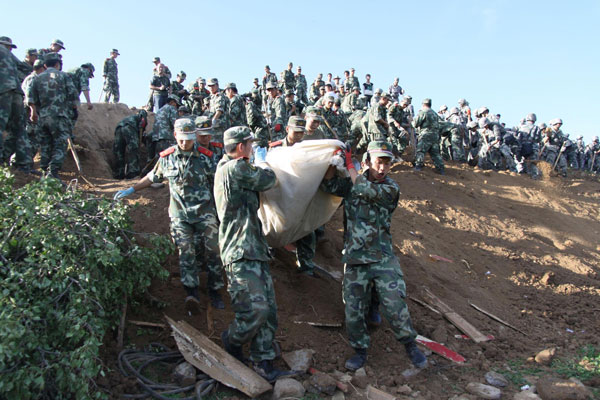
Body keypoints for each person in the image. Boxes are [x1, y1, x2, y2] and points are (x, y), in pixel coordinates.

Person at [320, 140, 427, 371]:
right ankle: (360, 350)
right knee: (353, 307)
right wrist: (333, 161)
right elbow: (328, 185)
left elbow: (362, 189)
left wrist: (350, 166)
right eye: (379, 162)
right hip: (356, 257)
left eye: (387, 163)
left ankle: (410, 345)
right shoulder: (351, 181)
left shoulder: (390, 188)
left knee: (395, 302)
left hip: (382, 256)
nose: (383, 168)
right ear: (367, 162)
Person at [115, 118, 225, 311]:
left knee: (214, 249)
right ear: (175, 136)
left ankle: (215, 289)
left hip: (204, 212)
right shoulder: (167, 157)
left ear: (194, 137)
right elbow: (152, 177)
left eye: (189, 139)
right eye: (181, 139)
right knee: (186, 252)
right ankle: (191, 293)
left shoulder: (206, 156)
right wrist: (132, 189)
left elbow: (219, 182)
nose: (185, 143)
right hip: (180, 215)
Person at [214, 126, 294, 382]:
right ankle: (232, 339)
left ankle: (263, 362)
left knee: (268, 310)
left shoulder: (234, 168)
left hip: (254, 248)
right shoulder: (235, 168)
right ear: (241, 147)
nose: (252, 148)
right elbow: (268, 180)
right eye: (250, 145)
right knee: (256, 309)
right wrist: (262, 162)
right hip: (239, 250)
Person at [27, 52, 77, 179]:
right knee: (60, 144)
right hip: (59, 116)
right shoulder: (64, 77)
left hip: (42, 116)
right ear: (57, 64)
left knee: (46, 144)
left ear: (44, 65)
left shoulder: (37, 78)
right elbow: (74, 97)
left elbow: (30, 97)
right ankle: (53, 172)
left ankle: (44, 171)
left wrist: (33, 111)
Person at [0, 36, 28, 170]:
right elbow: (27, 69)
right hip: (16, 91)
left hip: (3, 90)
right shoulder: (10, 55)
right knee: (18, 128)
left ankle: (1, 161)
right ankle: (22, 163)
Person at [21, 59, 45, 172]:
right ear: (41, 68)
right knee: (30, 138)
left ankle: (26, 164)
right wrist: (33, 111)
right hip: (30, 113)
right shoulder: (33, 78)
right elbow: (29, 97)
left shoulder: (36, 79)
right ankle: (22, 164)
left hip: (34, 112)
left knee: (34, 138)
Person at [113, 109, 148, 179]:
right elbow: (142, 125)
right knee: (133, 150)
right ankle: (133, 173)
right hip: (129, 128)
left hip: (119, 128)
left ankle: (119, 173)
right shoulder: (141, 116)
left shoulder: (130, 117)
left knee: (119, 151)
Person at [413, 98, 444, 174]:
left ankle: (418, 166)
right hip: (435, 135)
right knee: (435, 153)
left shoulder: (423, 112)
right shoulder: (435, 113)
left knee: (421, 150)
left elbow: (415, 124)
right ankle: (441, 169)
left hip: (426, 134)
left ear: (423, 104)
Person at [147, 94, 180, 161]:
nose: (177, 106)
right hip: (168, 139)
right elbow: (176, 124)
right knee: (170, 161)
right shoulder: (172, 108)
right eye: (176, 104)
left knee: (159, 161)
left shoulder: (160, 110)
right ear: (172, 102)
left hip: (157, 140)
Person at [207, 78, 230, 143]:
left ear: (217, 85)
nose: (211, 88)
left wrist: (213, 121)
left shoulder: (219, 96)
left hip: (219, 125)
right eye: (209, 86)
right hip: (215, 126)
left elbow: (219, 111)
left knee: (219, 144)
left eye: (213, 86)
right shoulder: (212, 97)